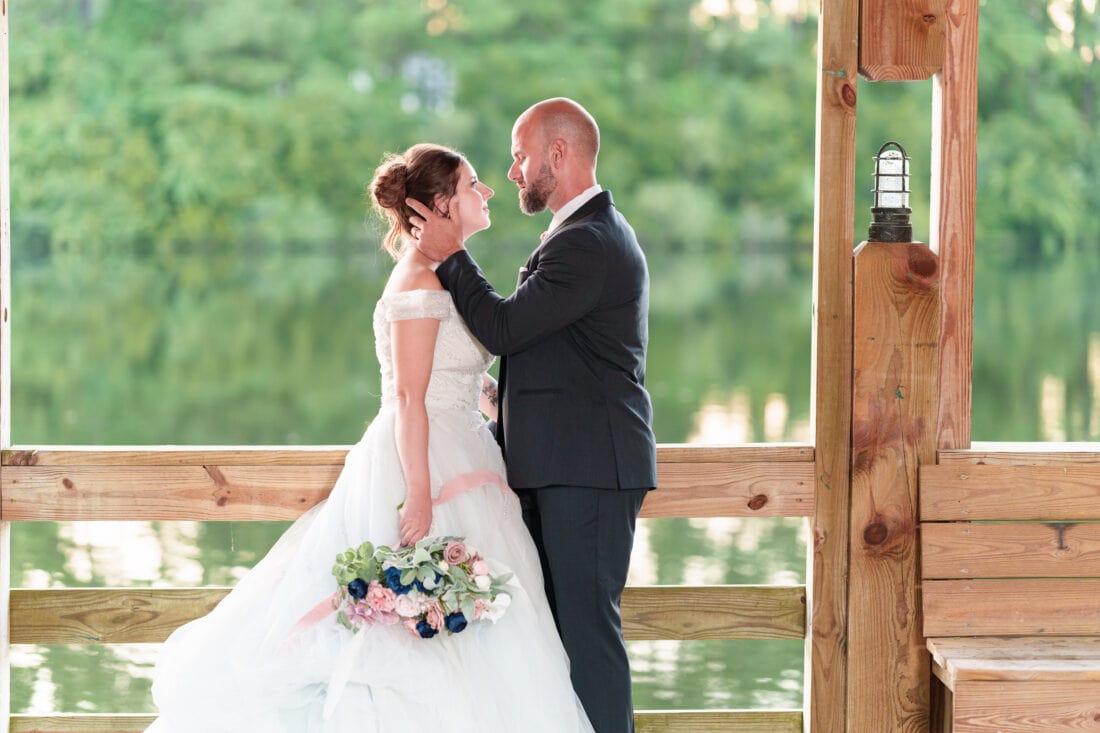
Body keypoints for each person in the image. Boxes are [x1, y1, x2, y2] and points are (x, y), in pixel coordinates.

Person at [146, 143, 594, 733]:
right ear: (439, 204)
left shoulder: (442, 274)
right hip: (425, 459)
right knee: (409, 631)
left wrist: (504, 406)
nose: (486, 192)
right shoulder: (418, 280)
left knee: (484, 629)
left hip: (466, 452)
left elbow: (456, 375)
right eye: (473, 184)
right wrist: (420, 492)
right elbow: (409, 397)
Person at [407, 98, 657, 733]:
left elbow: (507, 328)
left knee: (588, 641)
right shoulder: (578, 234)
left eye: (519, 156)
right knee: (557, 639)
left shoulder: (591, 240)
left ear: (558, 153)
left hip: (590, 472)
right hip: (567, 466)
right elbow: (558, 357)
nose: (512, 171)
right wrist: (487, 404)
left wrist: (450, 253)